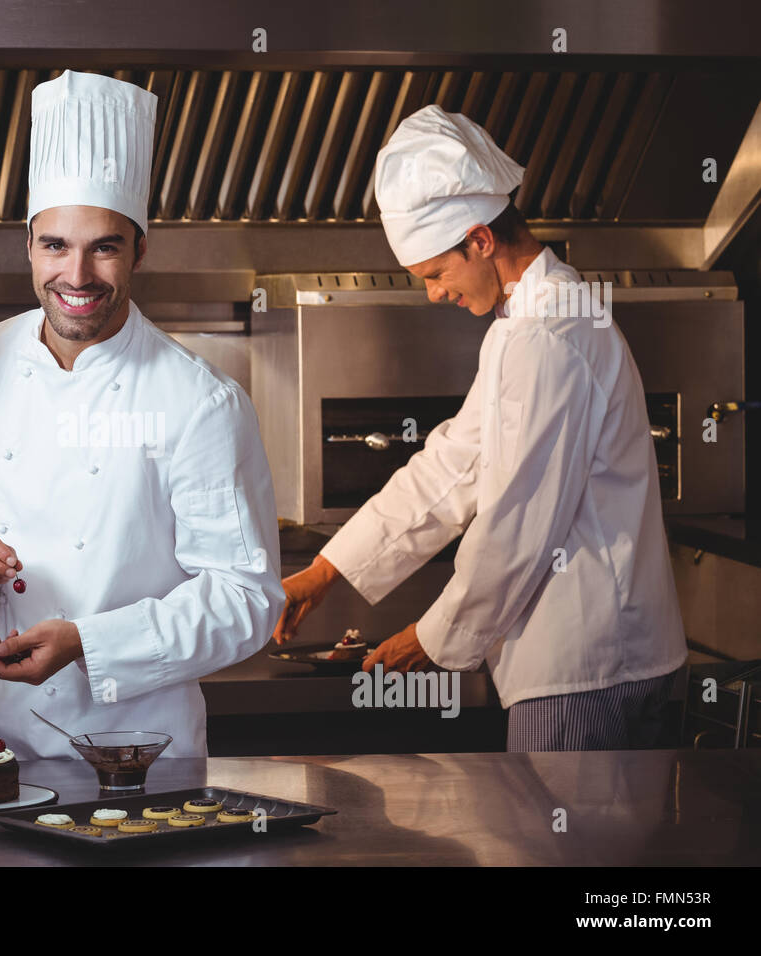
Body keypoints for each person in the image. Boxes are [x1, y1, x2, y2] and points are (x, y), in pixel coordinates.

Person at [274, 105, 687, 752]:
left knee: (559, 852)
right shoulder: (530, 325)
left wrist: (435, 636)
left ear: (480, 240)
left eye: (436, 274)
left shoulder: (549, 337)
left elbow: (520, 522)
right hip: (597, 660)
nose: (435, 293)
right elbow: (454, 466)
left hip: (585, 671)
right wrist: (323, 572)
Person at [0, 70, 284, 759]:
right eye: (56, 245)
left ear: (140, 249)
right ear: (28, 245)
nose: (78, 275)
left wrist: (90, 643)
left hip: (138, 752)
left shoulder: (198, 399)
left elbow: (247, 600)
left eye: (105, 246)